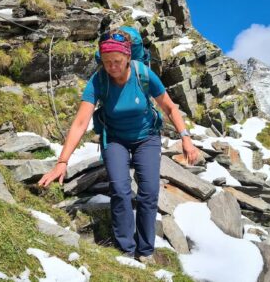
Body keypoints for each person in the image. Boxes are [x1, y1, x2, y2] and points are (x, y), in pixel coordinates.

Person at [38, 28, 199, 263]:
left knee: (149, 192)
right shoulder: (98, 80)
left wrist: (185, 137)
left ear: (127, 58)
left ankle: (145, 251)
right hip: (115, 138)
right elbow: (80, 122)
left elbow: (170, 107)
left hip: (147, 138)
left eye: (117, 61)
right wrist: (62, 161)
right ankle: (125, 250)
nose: (112, 66)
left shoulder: (143, 73)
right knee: (120, 190)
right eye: (106, 62)